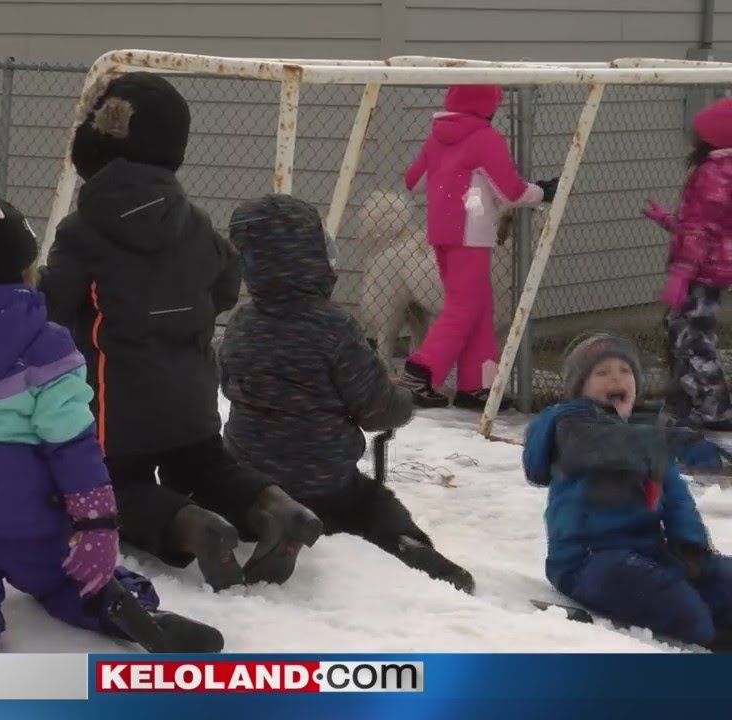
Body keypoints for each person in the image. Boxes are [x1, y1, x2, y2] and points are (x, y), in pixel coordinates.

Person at [0, 190, 224, 653]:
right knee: (75, 579)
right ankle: (126, 609)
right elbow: (72, 445)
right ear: (23, 271)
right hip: (31, 517)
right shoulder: (46, 346)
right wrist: (97, 524)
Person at [40, 71, 320, 592]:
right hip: (190, 396)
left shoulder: (82, 233)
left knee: (110, 487)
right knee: (206, 466)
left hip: (116, 409)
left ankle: (193, 527)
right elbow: (225, 287)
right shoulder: (195, 224)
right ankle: (275, 507)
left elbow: (50, 309)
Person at [221, 194, 475, 594]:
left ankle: (262, 522)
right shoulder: (334, 326)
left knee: (237, 489)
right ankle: (405, 544)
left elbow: (228, 385)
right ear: (314, 256)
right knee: (373, 503)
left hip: (249, 481)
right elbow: (375, 410)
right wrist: (404, 401)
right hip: (323, 483)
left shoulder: (240, 323)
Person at [523, 332, 732, 651]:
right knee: (681, 607)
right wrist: (667, 440)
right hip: (587, 561)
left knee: (721, 577)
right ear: (580, 388)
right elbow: (602, 446)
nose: (616, 378)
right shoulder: (570, 422)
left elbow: (676, 498)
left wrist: (691, 544)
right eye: (602, 373)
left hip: (649, 551)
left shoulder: (647, 429)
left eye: (624, 371)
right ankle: (711, 640)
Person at [399, 84, 557, 410]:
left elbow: (412, 182)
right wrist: (542, 192)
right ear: (487, 106)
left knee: (479, 307)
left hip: (441, 232)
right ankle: (421, 371)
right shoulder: (485, 138)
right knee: (465, 307)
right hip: (471, 234)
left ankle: (477, 385)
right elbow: (510, 191)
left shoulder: (437, 136)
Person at [643, 97, 732, 431]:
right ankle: (681, 401)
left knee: (693, 340)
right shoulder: (721, 170)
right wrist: (668, 220)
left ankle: (715, 408)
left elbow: (702, 231)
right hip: (706, 269)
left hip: (701, 273)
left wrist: (681, 274)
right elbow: (705, 225)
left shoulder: (714, 173)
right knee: (679, 333)